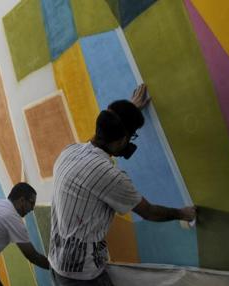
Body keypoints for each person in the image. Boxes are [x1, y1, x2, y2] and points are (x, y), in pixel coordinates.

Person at [48, 84, 196, 286]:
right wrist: (183, 213)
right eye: (131, 137)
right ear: (121, 140)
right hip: (83, 276)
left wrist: (128, 112)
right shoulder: (109, 176)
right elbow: (149, 212)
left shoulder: (70, 151)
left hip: (57, 264)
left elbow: (99, 137)